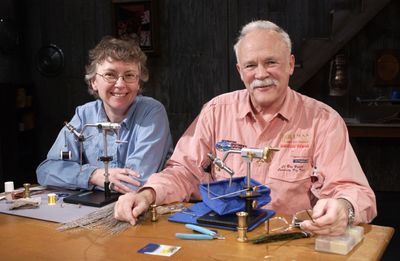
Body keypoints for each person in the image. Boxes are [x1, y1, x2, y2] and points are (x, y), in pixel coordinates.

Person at [114, 20, 377, 236]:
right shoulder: (217, 111)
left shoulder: (323, 120)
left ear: (290, 65)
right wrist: (147, 194)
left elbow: (354, 191)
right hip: (221, 238)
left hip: (292, 241)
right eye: (251, 65)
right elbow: (183, 171)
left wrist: (344, 208)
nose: (261, 74)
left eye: (271, 62)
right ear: (240, 71)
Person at [36, 36, 173, 194]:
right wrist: (94, 175)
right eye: (110, 75)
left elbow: (134, 183)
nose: (120, 84)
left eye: (129, 75)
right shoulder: (84, 114)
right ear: (94, 81)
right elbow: (47, 170)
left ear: (138, 83)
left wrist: (81, 177)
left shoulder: (152, 112)